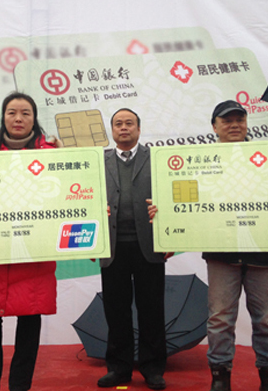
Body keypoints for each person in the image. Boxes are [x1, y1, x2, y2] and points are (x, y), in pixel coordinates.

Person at [0, 92, 60, 391]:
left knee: (29, 329)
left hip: (34, 256)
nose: (18, 118)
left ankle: (20, 386)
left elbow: (67, 194)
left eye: (25, 113)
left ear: (34, 118)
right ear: (3, 117)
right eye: (12, 112)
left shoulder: (52, 154)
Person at [204, 100, 268, 391]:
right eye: (227, 120)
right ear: (215, 127)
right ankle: (220, 376)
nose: (234, 125)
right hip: (221, 253)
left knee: (267, 320)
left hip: (264, 252)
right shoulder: (201, 161)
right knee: (220, 320)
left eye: (240, 119)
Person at [97, 108, 168, 390]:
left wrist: (169, 233)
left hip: (149, 246)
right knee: (116, 311)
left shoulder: (157, 158)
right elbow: (84, 198)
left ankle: (153, 369)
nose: (123, 127)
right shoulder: (98, 161)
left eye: (129, 123)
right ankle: (119, 368)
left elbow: (171, 196)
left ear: (139, 128)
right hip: (112, 247)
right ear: (112, 130)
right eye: (118, 124)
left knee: (152, 310)